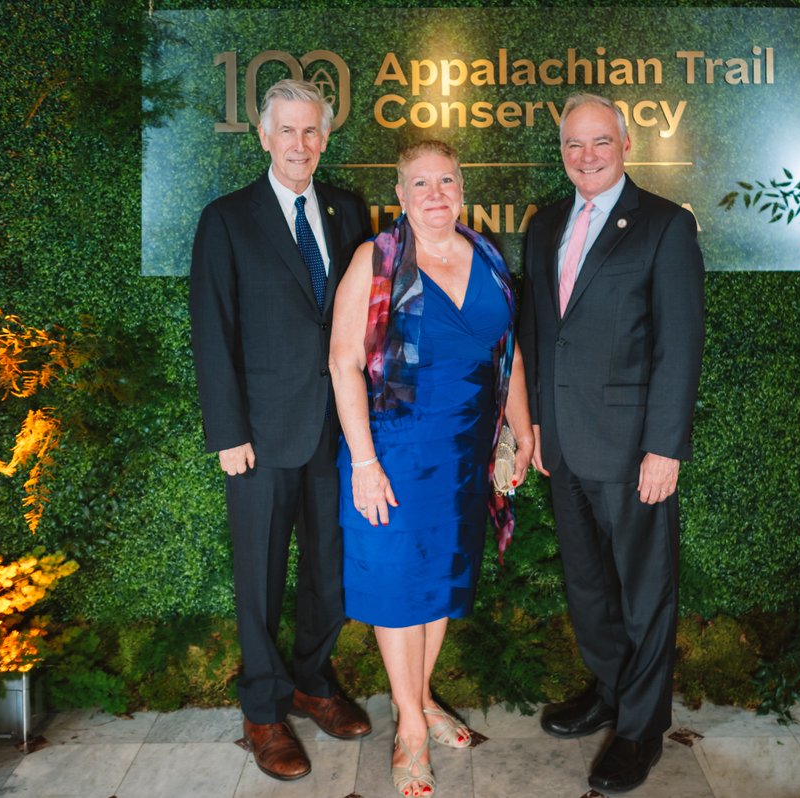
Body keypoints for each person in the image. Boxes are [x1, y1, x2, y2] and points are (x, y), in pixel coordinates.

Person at [329, 140, 533, 798]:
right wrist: (363, 459)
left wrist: (520, 431)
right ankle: (411, 729)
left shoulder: (489, 259)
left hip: (463, 455)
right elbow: (342, 363)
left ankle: (414, 701)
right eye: (422, 183)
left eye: (447, 180)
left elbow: (511, 353)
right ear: (401, 195)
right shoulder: (377, 261)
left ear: (463, 189)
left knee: (439, 582)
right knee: (395, 586)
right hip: (391, 451)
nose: (436, 193)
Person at [519, 93, 705, 793]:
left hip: (633, 450)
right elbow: (539, 333)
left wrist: (666, 447)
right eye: (573, 144)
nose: (586, 156)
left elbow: (680, 344)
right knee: (588, 585)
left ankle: (640, 729)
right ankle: (609, 688)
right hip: (562, 443)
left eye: (599, 142)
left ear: (625, 143)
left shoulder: (663, 226)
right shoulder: (544, 227)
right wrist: (533, 424)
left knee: (645, 590)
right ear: (561, 151)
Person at [189, 78, 373, 782]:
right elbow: (214, 331)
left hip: (339, 429)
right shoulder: (228, 220)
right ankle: (263, 710)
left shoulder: (347, 209)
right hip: (260, 435)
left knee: (330, 566)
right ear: (264, 137)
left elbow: (366, 320)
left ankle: (311, 681)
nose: (300, 144)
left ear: (324, 139)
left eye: (311, 132)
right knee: (261, 575)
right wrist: (227, 430)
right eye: (286, 131)